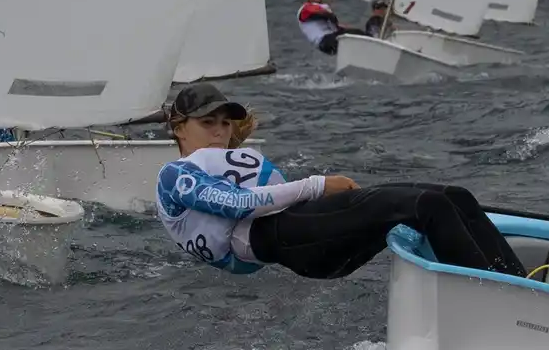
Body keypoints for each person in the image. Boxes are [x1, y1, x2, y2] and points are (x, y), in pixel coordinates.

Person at [156, 84, 525, 279]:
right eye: (208, 123)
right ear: (178, 128)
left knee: (453, 196)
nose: (220, 133)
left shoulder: (216, 161)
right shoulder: (174, 176)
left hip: (304, 230)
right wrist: (318, 184)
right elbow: (235, 203)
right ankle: (499, 308)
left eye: (224, 123)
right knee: (428, 207)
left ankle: (527, 289)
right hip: (289, 241)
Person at [297, 0, 366, 55]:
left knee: (358, 32)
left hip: (331, 36)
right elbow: (323, 14)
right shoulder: (305, 8)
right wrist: (330, 15)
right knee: (348, 39)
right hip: (323, 41)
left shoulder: (323, 6)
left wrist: (341, 27)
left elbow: (330, 20)